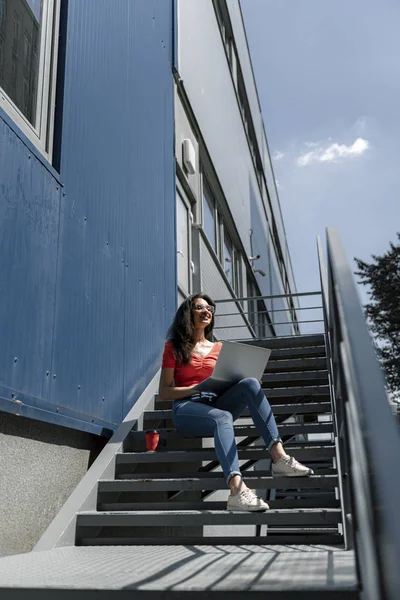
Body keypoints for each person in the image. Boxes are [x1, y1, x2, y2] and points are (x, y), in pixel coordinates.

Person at [159, 293, 314, 512]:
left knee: (250, 383)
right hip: (187, 408)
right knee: (223, 417)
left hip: (217, 401)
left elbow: (229, 379)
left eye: (210, 308)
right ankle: (236, 490)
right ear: (188, 313)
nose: (207, 311)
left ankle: (279, 457)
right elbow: (164, 392)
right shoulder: (173, 347)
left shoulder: (220, 348)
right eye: (200, 307)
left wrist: (244, 376)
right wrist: (195, 389)